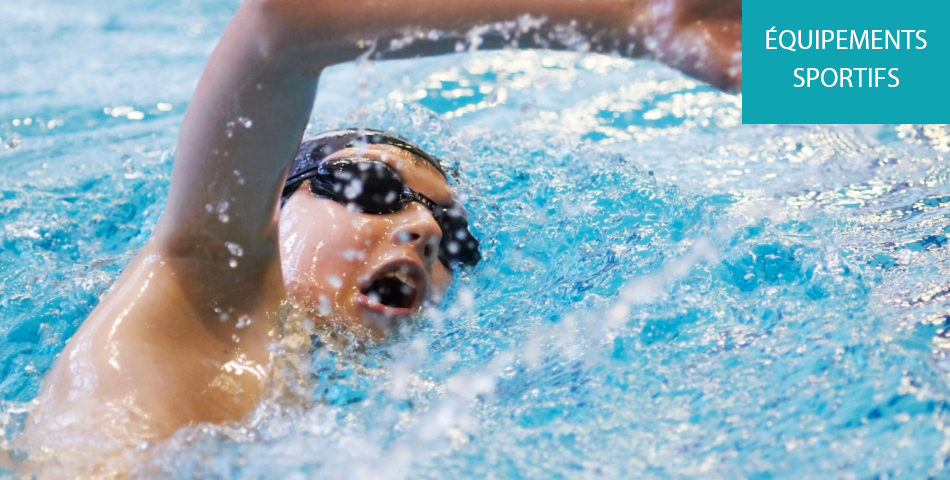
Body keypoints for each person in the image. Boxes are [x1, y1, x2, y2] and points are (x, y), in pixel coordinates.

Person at [12, 0, 741, 474]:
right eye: (377, 191)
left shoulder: (344, 413)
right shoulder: (199, 280)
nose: (424, 229)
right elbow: (279, 29)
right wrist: (641, 26)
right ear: (275, 199)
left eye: (454, 236)